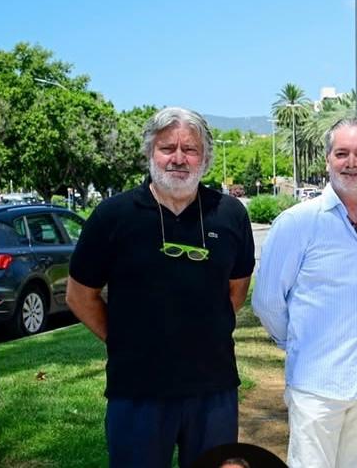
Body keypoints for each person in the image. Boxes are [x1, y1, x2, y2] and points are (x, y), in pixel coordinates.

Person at [66, 107, 254, 467]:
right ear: (151, 152)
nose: (179, 158)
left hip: (213, 391)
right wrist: (124, 339)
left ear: (206, 158)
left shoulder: (230, 215)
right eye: (168, 148)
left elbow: (237, 289)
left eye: (191, 149)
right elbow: (80, 295)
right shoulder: (113, 216)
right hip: (136, 392)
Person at [253, 118, 357, 467]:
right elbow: (267, 302)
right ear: (327, 160)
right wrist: (296, 341)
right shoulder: (297, 223)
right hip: (316, 387)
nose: (351, 163)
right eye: (342, 153)